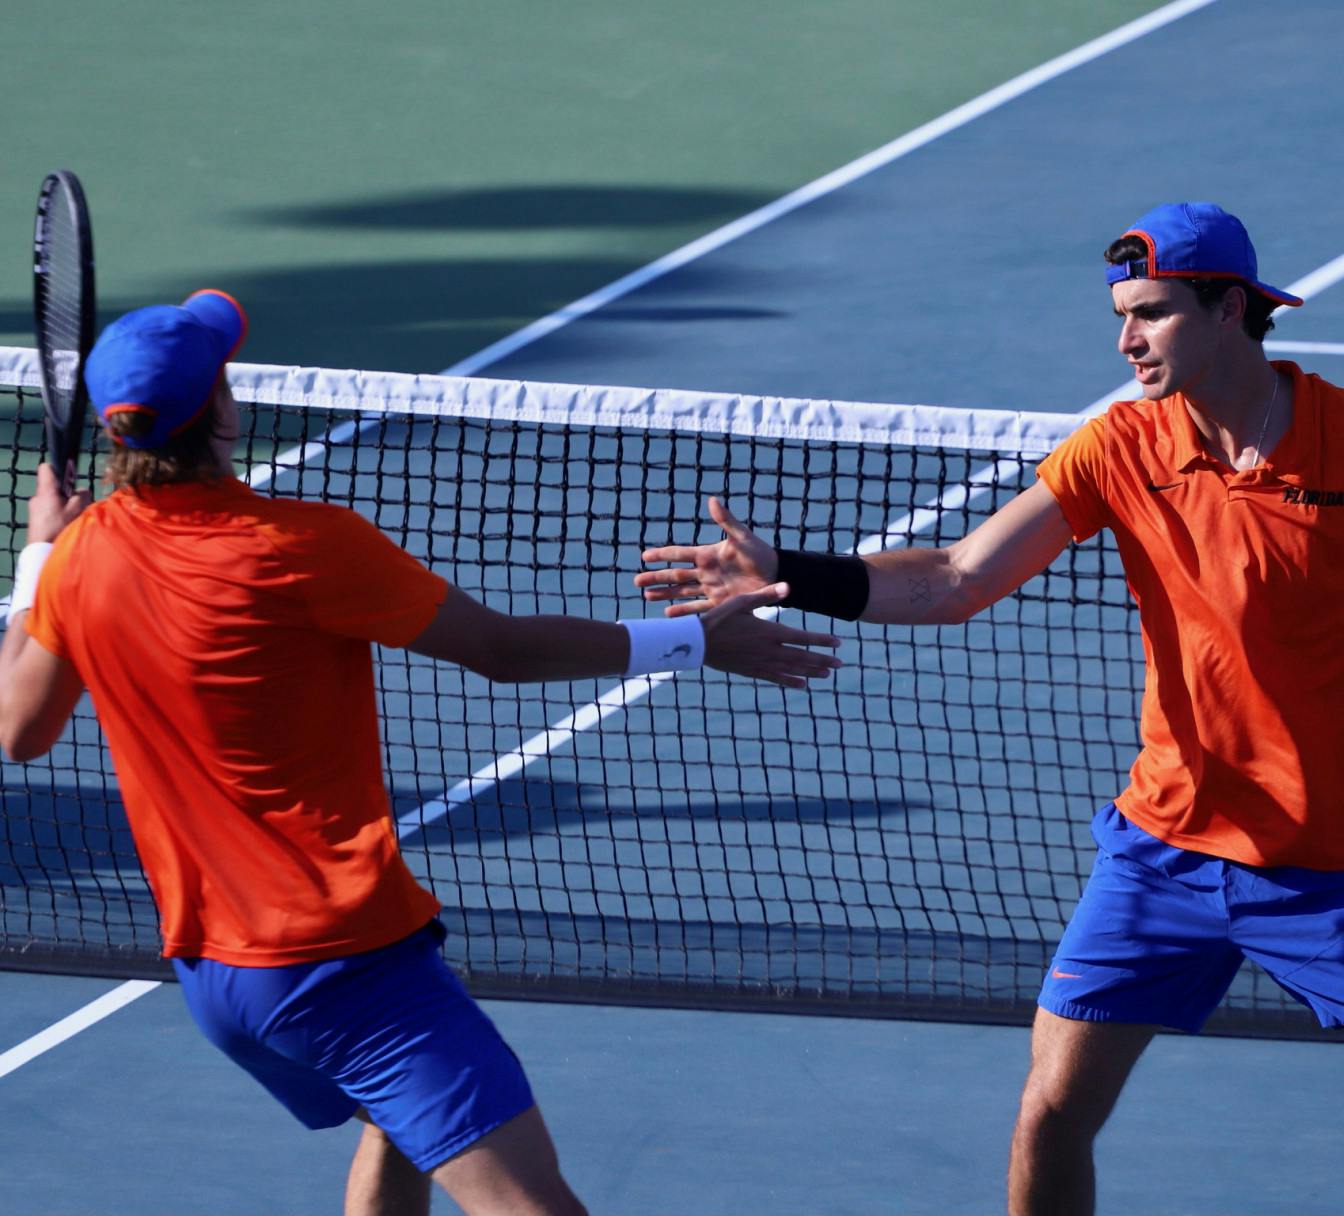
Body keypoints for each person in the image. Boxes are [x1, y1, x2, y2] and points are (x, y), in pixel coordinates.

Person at [637, 202, 1344, 1215]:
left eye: (1148, 313)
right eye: (1119, 316)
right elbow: (958, 577)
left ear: (1227, 310)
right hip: (1163, 847)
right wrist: (788, 573)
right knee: (1050, 1109)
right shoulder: (1121, 445)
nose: (1124, 339)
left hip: (1329, 865)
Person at [0, 290, 843, 1216]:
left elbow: (18, 728)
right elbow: (502, 651)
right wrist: (694, 641)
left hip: (215, 971)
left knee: (394, 1127)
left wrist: (39, 555)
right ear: (223, 412)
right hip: (341, 964)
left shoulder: (83, 559)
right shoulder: (303, 547)